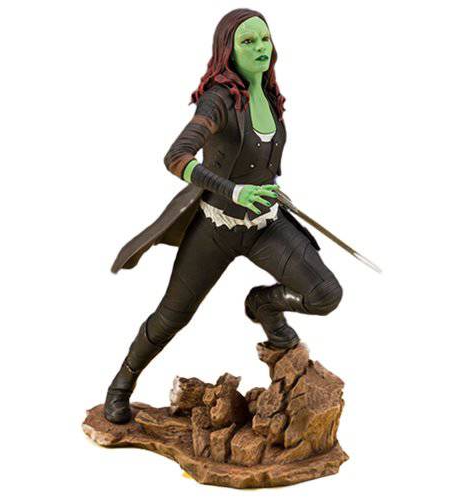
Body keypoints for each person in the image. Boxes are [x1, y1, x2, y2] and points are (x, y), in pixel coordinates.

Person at [104, 8, 342, 424]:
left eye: (264, 38)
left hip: (264, 225)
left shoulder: (270, 95)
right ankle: (120, 386)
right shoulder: (218, 99)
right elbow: (176, 157)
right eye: (247, 41)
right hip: (217, 227)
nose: (260, 47)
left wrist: (266, 188)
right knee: (172, 316)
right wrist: (234, 190)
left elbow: (257, 158)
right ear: (228, 51)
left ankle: (263, 305)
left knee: (325, 294)